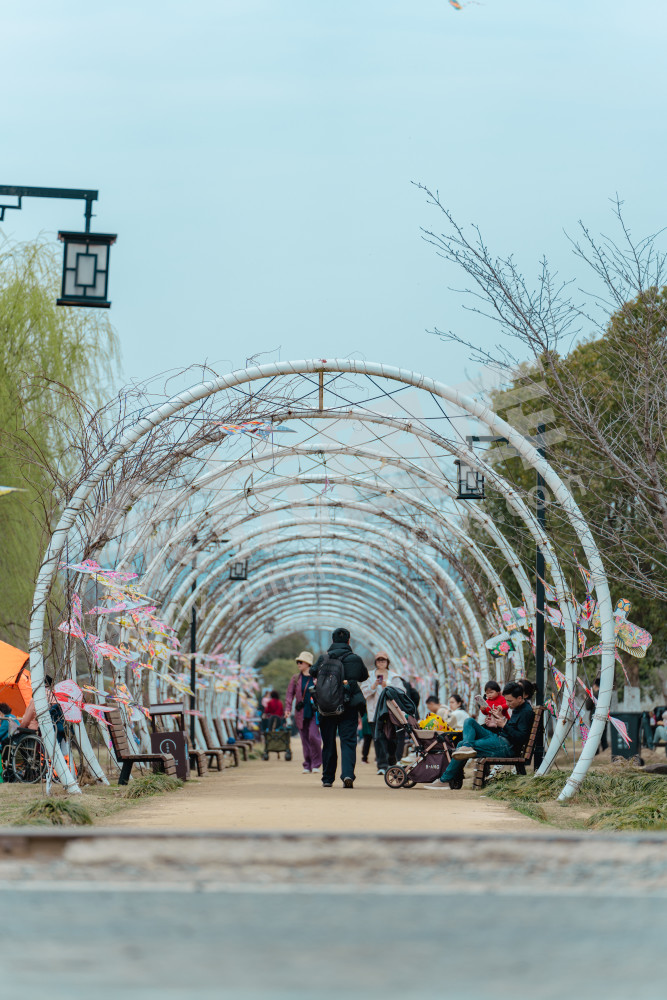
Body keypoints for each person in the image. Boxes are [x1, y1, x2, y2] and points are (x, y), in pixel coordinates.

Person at [428, 681, 534, 789]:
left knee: (460, 745)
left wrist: (503, 725)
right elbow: (511, 729)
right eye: (506, 700)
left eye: (510, 701)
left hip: (506, 747)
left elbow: (521, 738)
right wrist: (497, 720)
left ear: (520, 698)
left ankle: (445, 780)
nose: (507, 703)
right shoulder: (518, 708)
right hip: (499, 739)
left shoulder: (526, 712)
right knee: (469, 721)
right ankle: (466, 747)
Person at [311, 627, 369, 788]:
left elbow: (312, 671)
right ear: (349, 641)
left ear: (332, 641)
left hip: (327, 705)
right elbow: (364, 676)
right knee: (348, 741)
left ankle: (328, 778)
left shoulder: (324, 658)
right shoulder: (355, 659)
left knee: (328, 742)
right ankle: (348, 774)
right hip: (348, 705)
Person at [361, 652, 406, 775]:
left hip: (391, 713)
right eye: (379, 660)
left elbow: (402, 692)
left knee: (392, 738)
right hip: (374, 712)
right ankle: (382, 765)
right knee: (378, 738)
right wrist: (374, 685)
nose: (381, 662)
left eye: (383, 660)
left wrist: (388, 685)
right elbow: (364, 692)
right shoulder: (369, 676)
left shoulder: (394, 677)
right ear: (375, 662)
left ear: (387, 662)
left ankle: (391, 759)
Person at [285, 651, 322, 774]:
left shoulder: (317, 677)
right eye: (297, 662)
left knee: (313, 736)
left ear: (308, 663)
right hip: (301, 712)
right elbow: (290, 694)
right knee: (304, 739)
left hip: (314, 711)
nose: (298, 664)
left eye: (300, 662)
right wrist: (287, 709)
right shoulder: (296, 678)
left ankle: (317, 762)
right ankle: (307, 764)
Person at [584, 677, 608, 752]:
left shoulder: (593, 696)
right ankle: (605, 750)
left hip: (594, 719)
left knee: (594, 737)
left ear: (595, 685)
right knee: (603, 737)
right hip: (604, 718)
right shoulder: (605, 695)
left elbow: (588, 707)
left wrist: (587, 698)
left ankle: (595, 752)